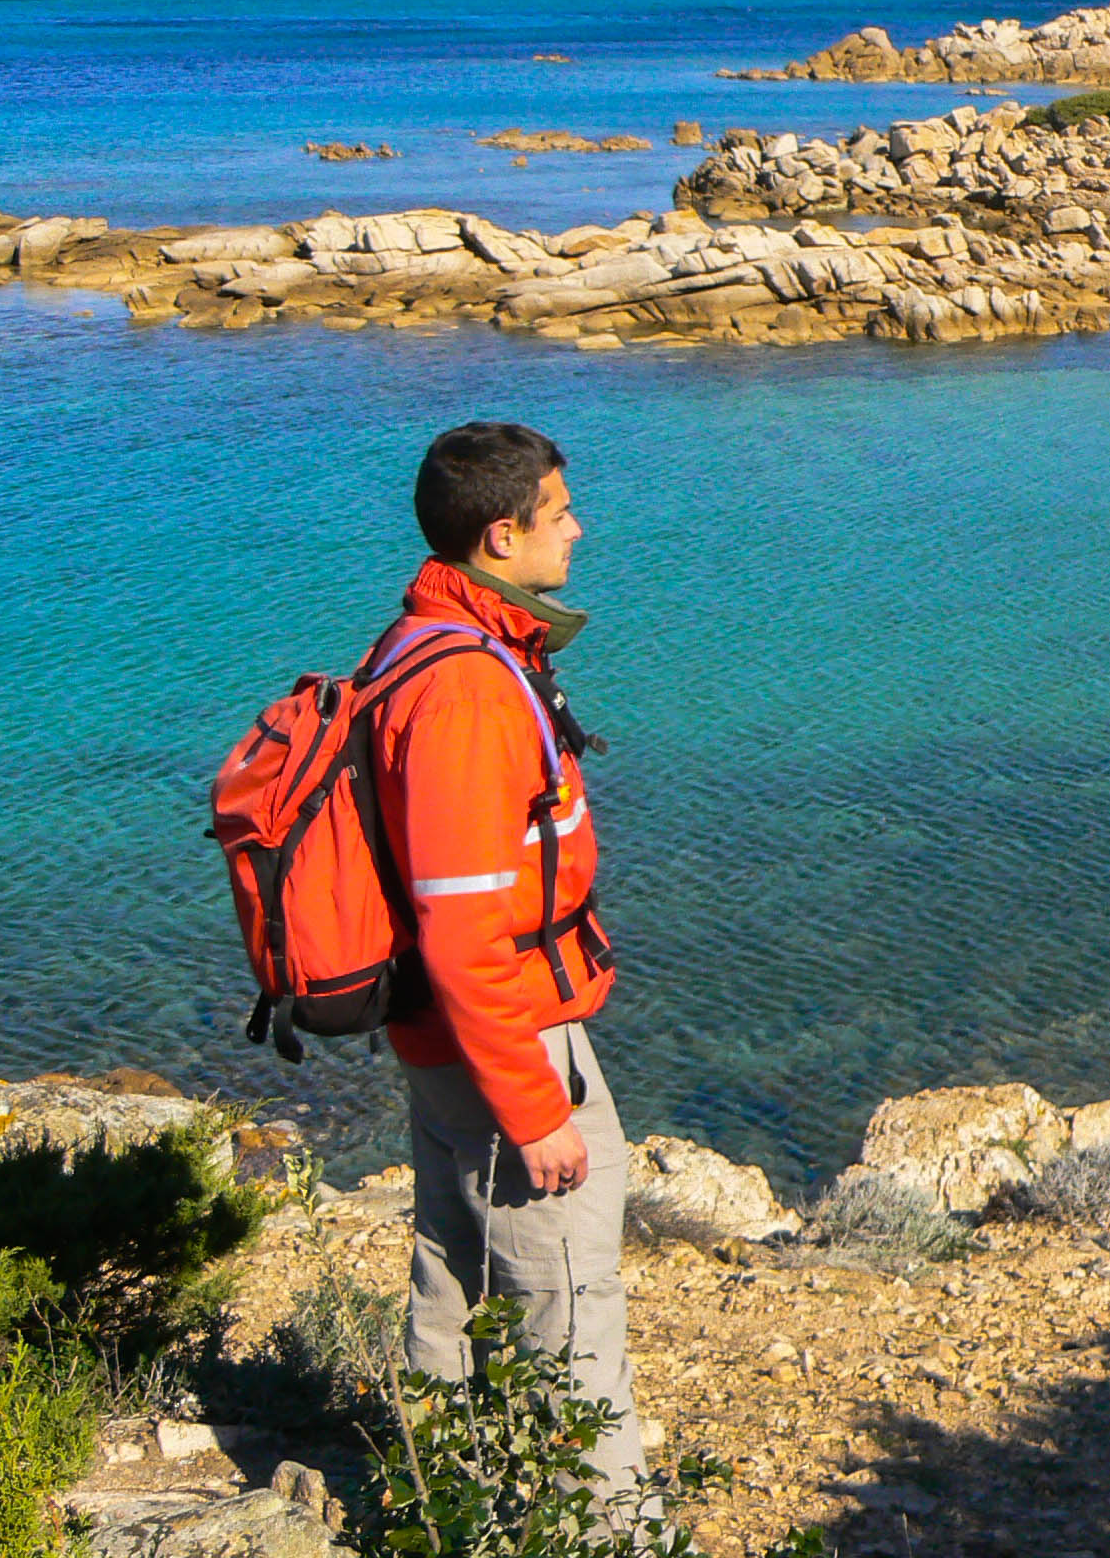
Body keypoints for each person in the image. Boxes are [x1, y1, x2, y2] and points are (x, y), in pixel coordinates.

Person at [372, 420, 642, 1497]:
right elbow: (461, 926)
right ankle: (598, 1523)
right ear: (500, 535)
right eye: (560, 511)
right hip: (506, 1045)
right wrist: (534, 1111)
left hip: (452, 1043)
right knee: (564, 1297)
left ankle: (444, 1500)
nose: (578, 528)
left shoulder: (429, 641)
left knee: (456, 1271)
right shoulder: (467, 690)